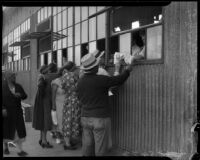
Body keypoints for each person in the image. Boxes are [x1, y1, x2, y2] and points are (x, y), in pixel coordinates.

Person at [77, 52, 137, 156]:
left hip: (85, 118)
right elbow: (119, 80)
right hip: (100, 118)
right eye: (97, 65)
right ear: (95, 68)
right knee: (100, 149)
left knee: (87, 146)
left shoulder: (80, 82)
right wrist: (128, 69)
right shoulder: (101, 80)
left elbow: (79, 98)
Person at [3, 70, 28, 156]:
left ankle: (20, 150)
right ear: (7, 77)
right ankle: (6, 147)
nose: (14, 78)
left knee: (18, 131)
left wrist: (20, 95)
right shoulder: (3, 86)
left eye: (14, 76)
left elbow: (25, 96)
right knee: (6, 131)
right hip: (6, 112)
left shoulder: (18, 86)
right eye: (12, 76)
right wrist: (3, 109)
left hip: (17, 112)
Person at [51, 63, 77, 144]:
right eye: (72, 71)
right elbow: (53, 95)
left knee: (68, 122)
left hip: (68, 104)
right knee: (59, 121)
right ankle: (58, 136)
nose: (73, 72)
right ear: (66, 71)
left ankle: (68, 139)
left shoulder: (72, 80)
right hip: (58, 105)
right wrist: (53, 106)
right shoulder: (56, 81)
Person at [60, 61, 81, 150]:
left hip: (67, 100)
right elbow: (79, 87)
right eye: (75, 66)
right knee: (72, 121)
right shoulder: (74, 76)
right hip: (75, 100)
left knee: (67, 121)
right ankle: (67, 144)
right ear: (72, 67)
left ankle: (68, 141)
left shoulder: (64, 76)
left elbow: (63, 88)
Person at [41, 63, 59, 148]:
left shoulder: (43, 76)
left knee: (44, 120)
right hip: (48, 101)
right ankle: (44, 141)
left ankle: (42, 139)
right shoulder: (54, 76)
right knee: (47, 120)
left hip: (44, 100)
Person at [32, 65, 48, 147]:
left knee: (41, 120)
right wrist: (44, 94)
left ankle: (42, 139)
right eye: (47, 69)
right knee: (43, 120)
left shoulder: (40, 77)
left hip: (39, 99)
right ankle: (44, 141)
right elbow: (41, 87)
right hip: (41, 100)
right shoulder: (42, 78)